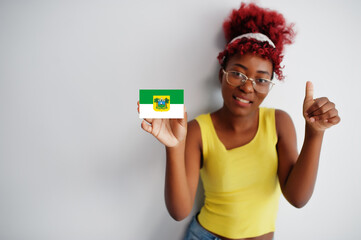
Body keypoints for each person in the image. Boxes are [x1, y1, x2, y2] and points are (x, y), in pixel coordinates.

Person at [138, 3, 340, 240]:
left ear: (270, 86)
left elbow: (297, 198)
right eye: (238, 73)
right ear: (221, 74)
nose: (247, 87)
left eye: (261, 80)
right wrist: (173, 147)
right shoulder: (196, 130)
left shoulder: (279, 123)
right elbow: (179, 211)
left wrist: (315, 133)